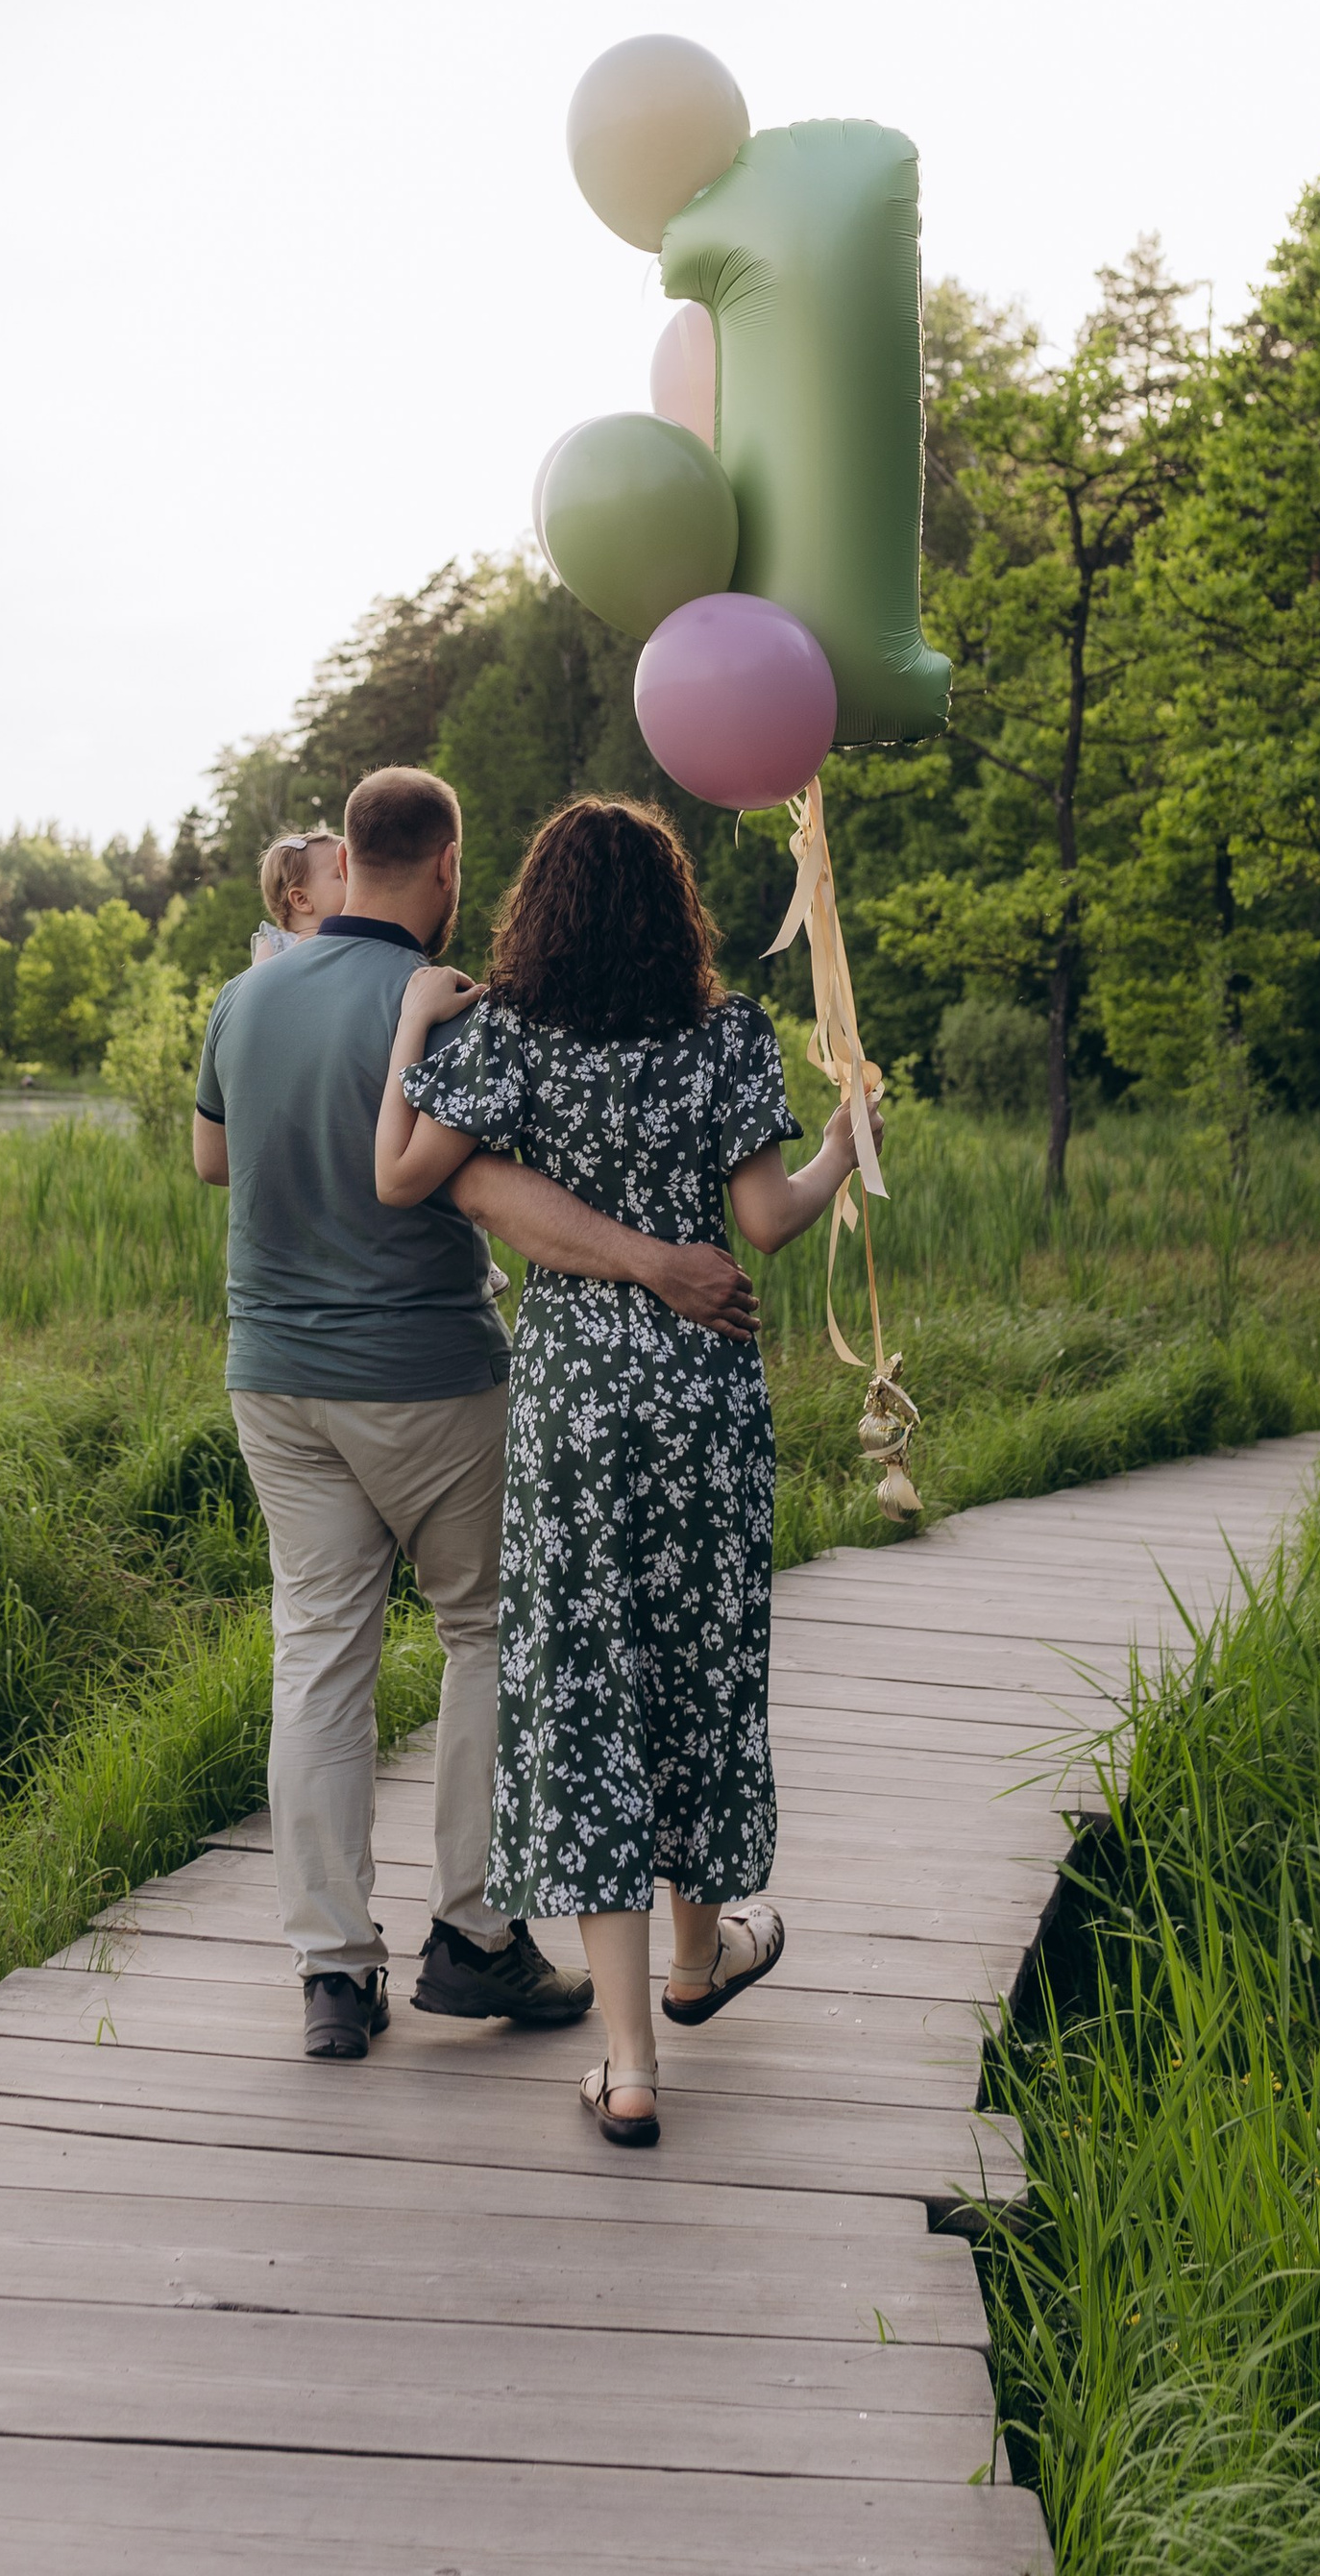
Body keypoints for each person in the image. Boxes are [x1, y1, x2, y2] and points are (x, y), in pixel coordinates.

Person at [193, 765, 765, 2062]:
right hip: (427, 1372)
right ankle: (474, 1935)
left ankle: (333, 1975)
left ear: (341, 858)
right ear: (446, 866)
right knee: (488, 1634)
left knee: (320, 1655)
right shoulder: (450, 1010)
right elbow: (483, 1187)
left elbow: (211, 1158)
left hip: (272, 1375)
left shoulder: (246, 995)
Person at [375, 794, 875, 2148]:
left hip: (576, 1401)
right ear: (677, 912)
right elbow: (765, 1223)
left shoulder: (508, 1039)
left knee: (586, 1686)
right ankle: (702, 1957)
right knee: (696, 1668)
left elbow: (421, 1179)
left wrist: (422, 1025)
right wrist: (845, 1140)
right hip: (703, 1395)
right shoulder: (726, 1037)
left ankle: (630, 2061)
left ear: (537, 909)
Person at [249, 827, 349, 964]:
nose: (356, 880)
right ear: (302, 900)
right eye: (342, 874)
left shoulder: (351, 937)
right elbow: (259, 984)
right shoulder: (275, 947)